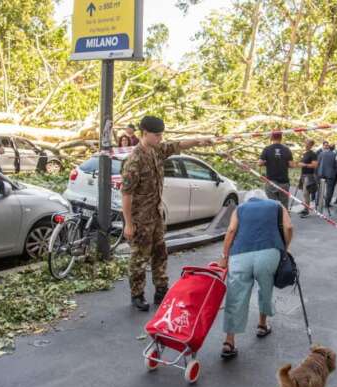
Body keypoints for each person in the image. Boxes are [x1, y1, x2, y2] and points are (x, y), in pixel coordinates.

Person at [121, 116, 211, 311]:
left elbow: (177, 145)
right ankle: (137, 295)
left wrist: (198, 140)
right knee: (139, 258)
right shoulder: (134, 161)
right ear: (145, 133)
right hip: (140, 220)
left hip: (156, 216)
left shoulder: (156, 150)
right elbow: (126, 195)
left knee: (160, 254)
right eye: (157, 135)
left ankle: (161, 290)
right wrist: (128, 224)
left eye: (161, 135)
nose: (160, 138)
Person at [217, 190, 293, 359]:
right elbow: (288, 227)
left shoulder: (240, 208)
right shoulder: (277, 205)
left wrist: (224, 257)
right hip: (268, 253)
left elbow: (230, 231)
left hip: (239, 255)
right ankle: (262, 325)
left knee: (235, 296)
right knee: (265, 289)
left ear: (249, 199)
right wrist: (284, 249)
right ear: (264, 198)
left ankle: (229, 342)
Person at [259, 131, 294, 208]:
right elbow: (292, 165)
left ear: (271, 137)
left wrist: (268, 162)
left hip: (271, 182)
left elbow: (260, 163)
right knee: (284, 206)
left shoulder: (267, 149)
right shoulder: (286, 149)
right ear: (281, 138)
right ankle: (284, 219)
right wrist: (283, 163)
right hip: (284, 182)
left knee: (272, 205)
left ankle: (274, 218)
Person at [298, 139, 318, 218]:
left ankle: (306, 210)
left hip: (309, 175)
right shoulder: (305, 153)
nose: (305, 145)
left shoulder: (313, 154)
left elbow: (315, 165)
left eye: (307, 143)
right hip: (303, 175)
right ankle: (305, 208)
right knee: (304, 193)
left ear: (311, 145)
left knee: (306, 193)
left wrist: (304, 165)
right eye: (305, 143)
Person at [316, 141, 337, 209]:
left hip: (321, 173)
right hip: (330, 174)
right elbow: (336, 165)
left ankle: (317, 202)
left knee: (320, 189)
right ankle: (327, 203)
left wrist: (317, 172)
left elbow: (317, 164)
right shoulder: (334, 155)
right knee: (329, 190)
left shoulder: (321, 154)